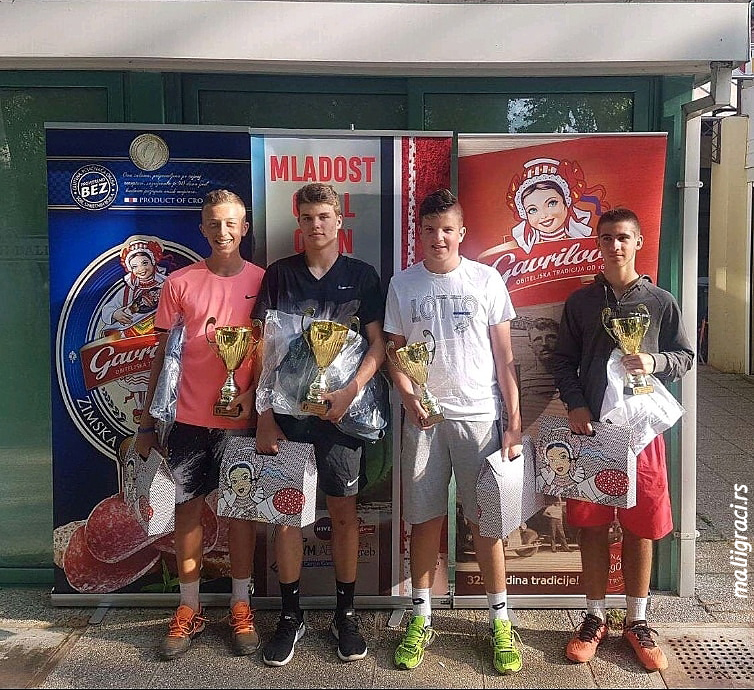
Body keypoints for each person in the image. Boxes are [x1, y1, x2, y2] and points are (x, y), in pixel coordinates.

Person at [384, 189, 524, 675]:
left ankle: (500, 620)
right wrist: (407, 396)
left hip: (479, 417)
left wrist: (514, 422)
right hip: (423, 421)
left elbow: (506, 359)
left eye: (447, 229)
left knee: (486, 523)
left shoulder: (487, 280)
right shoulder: (403, 285)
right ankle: (420, 614)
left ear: (461, 233)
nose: (438, 238)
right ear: (418, 234)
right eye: (429, 230)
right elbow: (395, 354)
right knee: (424, 520)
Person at [549, 207, 694, 672]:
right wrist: (575, 404)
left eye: (623, 238)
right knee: (591, 524)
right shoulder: (581, 303)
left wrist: (655, 363)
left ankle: (638, 619)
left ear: (638, 243)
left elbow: (686, 356)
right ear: (598, 242)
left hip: (642, 433)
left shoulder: (660, 301)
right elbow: (562, 360)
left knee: (641, 524)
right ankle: (593, 618)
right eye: (607, 237)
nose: (614, 245)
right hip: (592, 433)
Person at [251, 182, 385, 667]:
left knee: (344, 515)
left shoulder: (363, 276)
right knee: (287, 516)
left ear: (339, 220)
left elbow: (378, 345)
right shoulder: (279, 276)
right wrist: (264, 416)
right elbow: (262, 351)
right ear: (299, 222)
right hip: (288, 419)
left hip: (341, 419)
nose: (317, 225)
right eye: (309, 218)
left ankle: (344, 615)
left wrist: (350, 393)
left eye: (325, 216)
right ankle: (291, 616)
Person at [135, 189, 265, 661]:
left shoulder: (263, 281)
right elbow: (162, 358)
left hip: (242, 421)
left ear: (245, 227)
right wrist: (149, 420)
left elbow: (271, 354)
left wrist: (256, 399)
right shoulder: (180, 284)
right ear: (202, 229)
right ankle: (188, 607)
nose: (224, 231)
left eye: (232, 223)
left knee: (241, 514)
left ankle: (241, 604)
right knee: (187, 513)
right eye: (214, 223)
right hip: (187, 419)